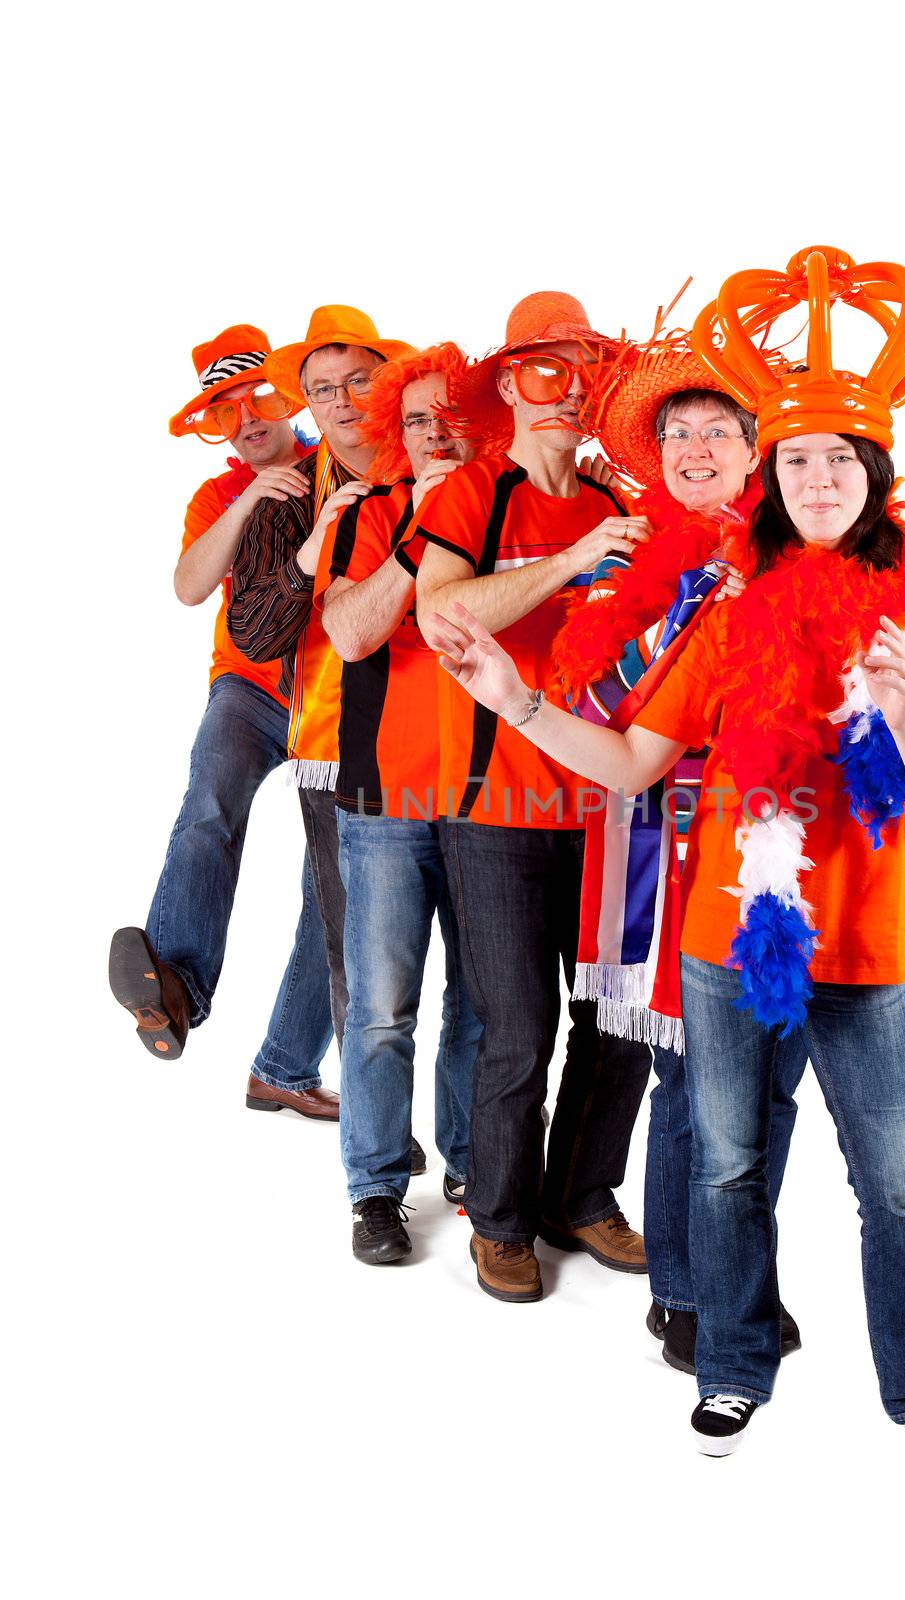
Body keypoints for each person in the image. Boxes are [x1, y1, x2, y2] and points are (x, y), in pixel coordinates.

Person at [427, 247, 905, 1476]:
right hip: (722, 934)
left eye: (840, 456)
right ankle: (729, 1367)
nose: (819, 473)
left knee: (898, 1183)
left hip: (864, 947)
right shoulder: (730, 611)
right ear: (775, 481)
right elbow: (627, 759)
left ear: (874, 474)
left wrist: (898, 709)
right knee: (727, 1161)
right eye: (801, 458)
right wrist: (515, 695)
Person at [556, 337, 801, 1373]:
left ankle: (738, 1272)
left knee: (772, 1079)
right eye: (679, 433)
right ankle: (685, 1292)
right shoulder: (630, 555)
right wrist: (690, 616)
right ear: (655, 454)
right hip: (664, 840)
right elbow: (590, 701)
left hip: (779, 842)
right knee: (692, 1076)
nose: (698, 448)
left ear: (756, 453)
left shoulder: (803, 550)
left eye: (718, 432)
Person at [412, 292, 654, 1303]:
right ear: (510, 383)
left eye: (584, 372)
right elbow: (438, 614)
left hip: (611, 807)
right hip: (497, 813)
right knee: (518, 1027)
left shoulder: (615, 503)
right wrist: (565, 567)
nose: (566, 392)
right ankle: (502, 1220)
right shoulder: (472, 495)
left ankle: (580, 1194)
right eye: (547, 370)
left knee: (621, 1025)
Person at [108, 323, 339, 1121]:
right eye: (225, 413)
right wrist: (249, 497)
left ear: (288, 397)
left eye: (258, 401)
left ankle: (285, 1066)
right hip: (247, 689)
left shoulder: (337, 460)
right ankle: (170, 987)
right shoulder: (216, 495)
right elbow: (187, 585)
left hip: (331, 695)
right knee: (209, 803)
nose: (246, 421)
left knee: (331, 889)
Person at [226, 307, 430, 1172]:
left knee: (433, 952)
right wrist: (313, 548)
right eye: (320, 389)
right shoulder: (289, 492)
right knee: (364, 960)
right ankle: (374, 1157)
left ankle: (283, 1068)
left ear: (387, 384)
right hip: (335, 745)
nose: (342, 402)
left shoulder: (437, 462)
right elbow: (255, 631)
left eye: (358, 382)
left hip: (448, 736)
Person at [313, 343, 486, 1264]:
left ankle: (468, 1166)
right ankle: (376, 1187)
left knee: (484, 1003)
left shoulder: (504, 505)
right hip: (382, 798)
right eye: (416, 418)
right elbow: (349, 630)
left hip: (491, 797)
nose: (436, 431)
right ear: (395, 431)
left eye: (451, 414)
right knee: (380, 1007)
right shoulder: (368, 514)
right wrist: (427, 529)